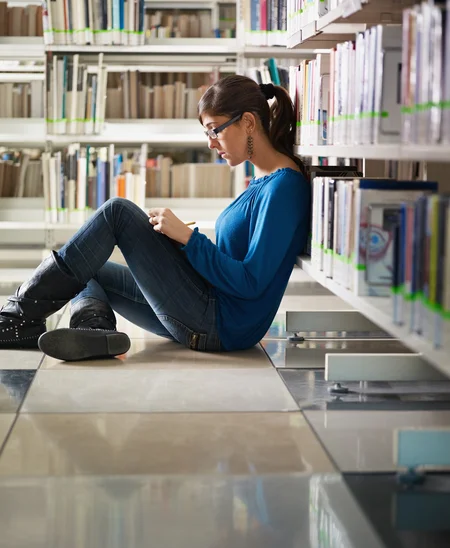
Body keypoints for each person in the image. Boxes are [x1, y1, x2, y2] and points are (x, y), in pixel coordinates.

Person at [0, 75, 310, 361]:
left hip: (221, 325)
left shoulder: (284, 188)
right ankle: (95, 330)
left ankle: (16, 319)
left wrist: (189, 240)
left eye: (215, 129)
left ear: (248, 122)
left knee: (117, 212)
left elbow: (250, 282)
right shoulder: (263, 179)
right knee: (87, 262)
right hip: (208, 307)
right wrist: (176, 243)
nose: (210, 142)